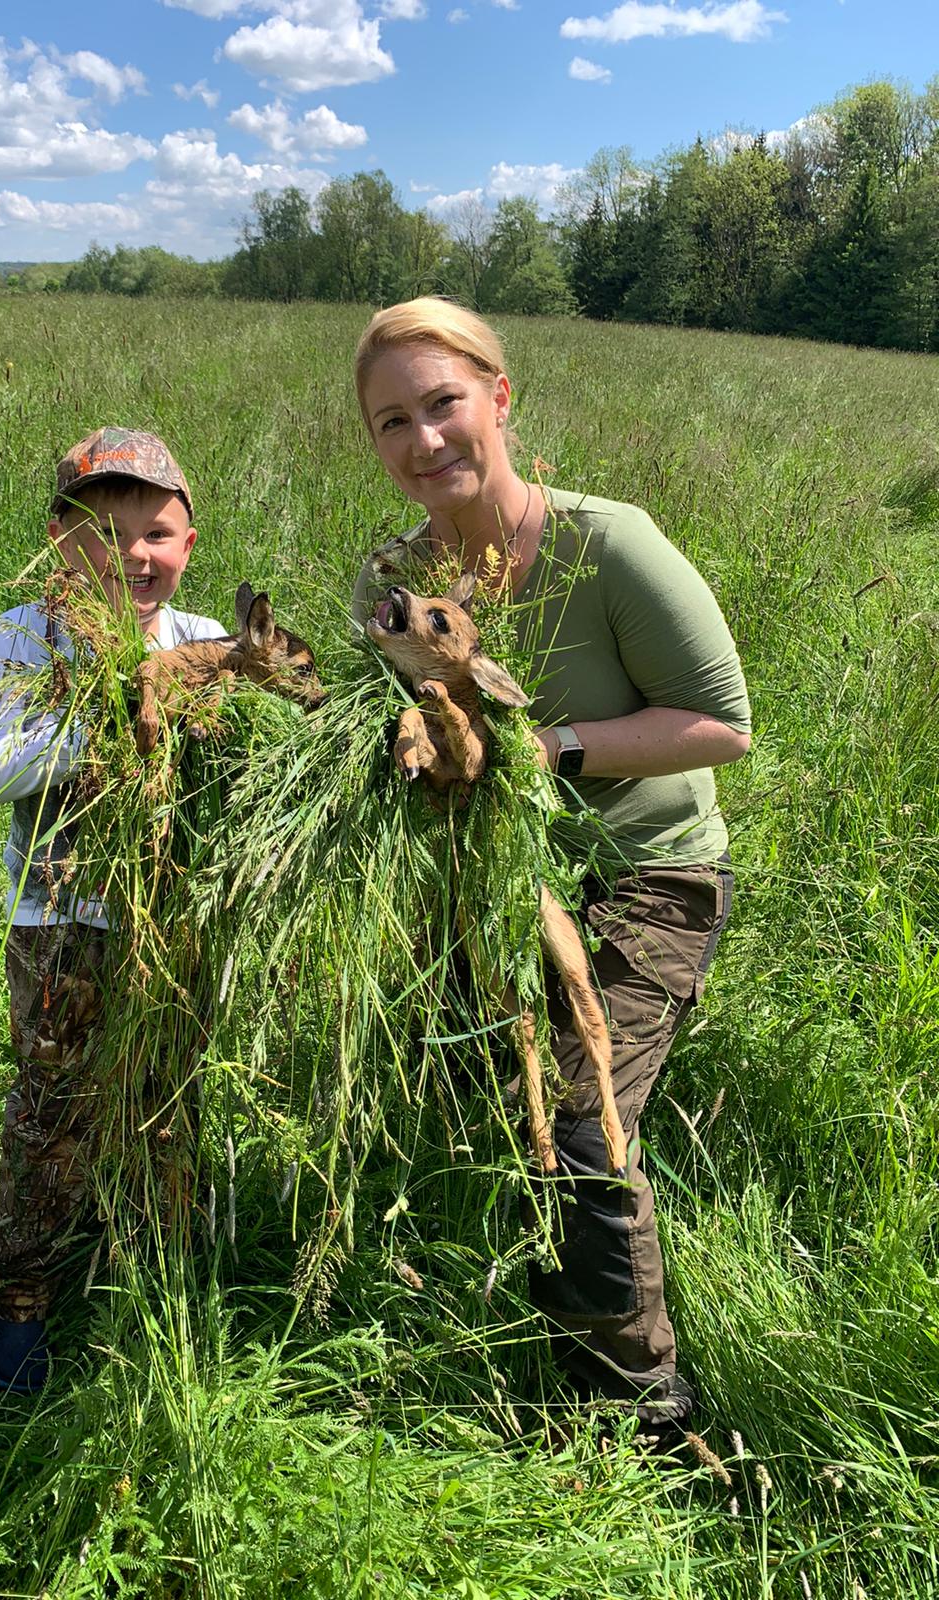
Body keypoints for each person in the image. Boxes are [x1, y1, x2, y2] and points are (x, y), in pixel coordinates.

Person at [350, 299, 751, 1442]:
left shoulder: (607, 544)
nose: (425, 439)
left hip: (644, 872)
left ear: (499, 398)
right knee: (469, 1089)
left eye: (443, 403)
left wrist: (547, 749)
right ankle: (511, 1305)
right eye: (393, 421)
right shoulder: (393, 577)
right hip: (493, 879)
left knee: (580, 1121)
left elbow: (721, 726)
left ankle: (644, 1406)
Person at [0, 427, 228, 1393]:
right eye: (102, 535)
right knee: (52, 1109)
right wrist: (102, 721)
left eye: (156, 534)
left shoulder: (201, 642)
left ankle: (146, 1263)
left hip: (173, 926)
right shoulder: (28, 635)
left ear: (188, 545)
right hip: (60, 922)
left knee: (165, 1095)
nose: (132, 557)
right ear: (57, 542)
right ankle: (21, 1287)